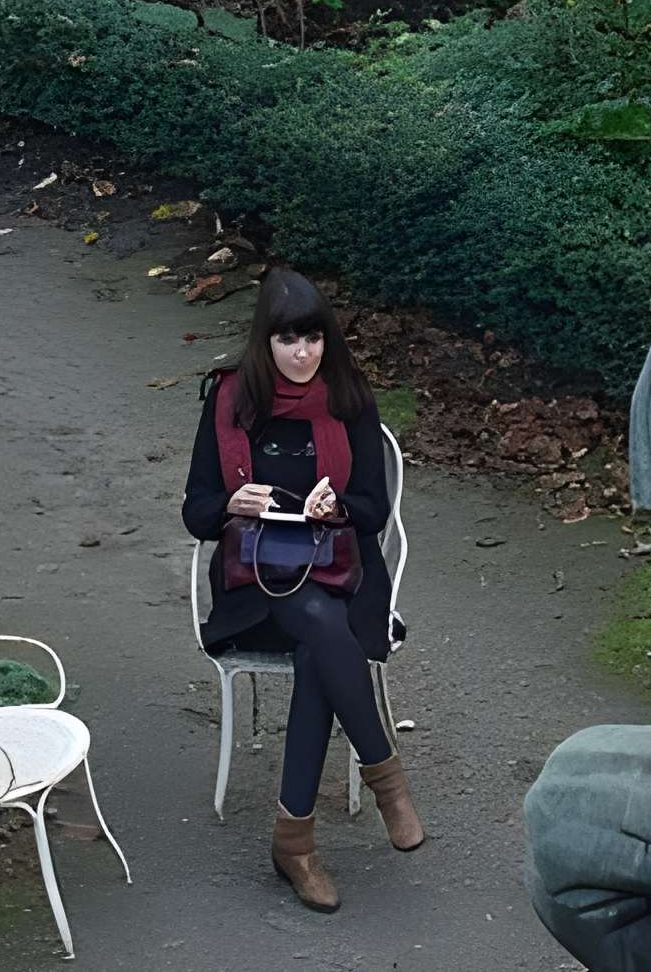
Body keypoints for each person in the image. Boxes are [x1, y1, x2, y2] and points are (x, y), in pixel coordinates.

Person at [182, 267, 425, 910]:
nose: (302, 353)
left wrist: (337, 504)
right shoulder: (231, 399)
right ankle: (387, 779)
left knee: (323, 635)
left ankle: (295, 843)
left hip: (342, 569)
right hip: (254, 582)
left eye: (313, 339)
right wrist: (234, 499)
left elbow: (374, 507)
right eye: (288, 340)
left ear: (327, 341)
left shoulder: (350, 397)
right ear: (265, 342)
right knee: (321, 624)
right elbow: (196, 512)